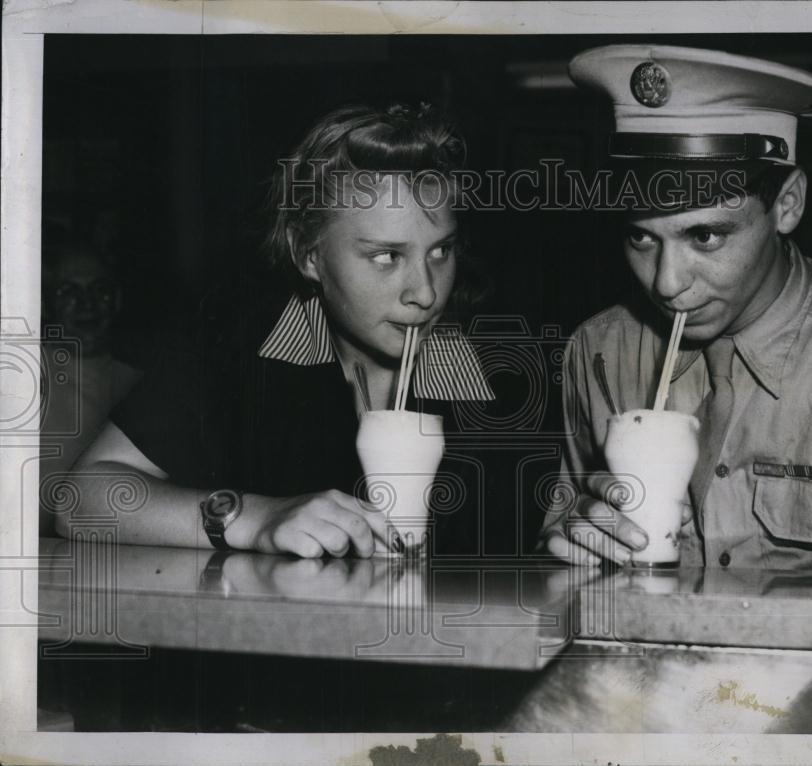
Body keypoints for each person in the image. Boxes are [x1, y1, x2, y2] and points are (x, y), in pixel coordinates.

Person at [541, 45, 812, 571]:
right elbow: (562, 559)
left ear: (787, 204)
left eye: (706, 235)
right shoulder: (598, 350)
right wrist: (575, 550)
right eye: (641, 237)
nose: (668, 284)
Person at [57, 103, 494, 557]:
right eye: (387, 256)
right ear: (308, 255)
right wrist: (255, 517)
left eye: (441, 252)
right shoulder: (236, 356)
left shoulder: (508, 379)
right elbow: (82, 500)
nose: (425, 293)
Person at [39, 245, 142, 536]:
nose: (87, 304)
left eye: (100, 290)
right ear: (46, 304)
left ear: (117, 299)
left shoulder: (140, 384)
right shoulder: (23, 375)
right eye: (69, 292)